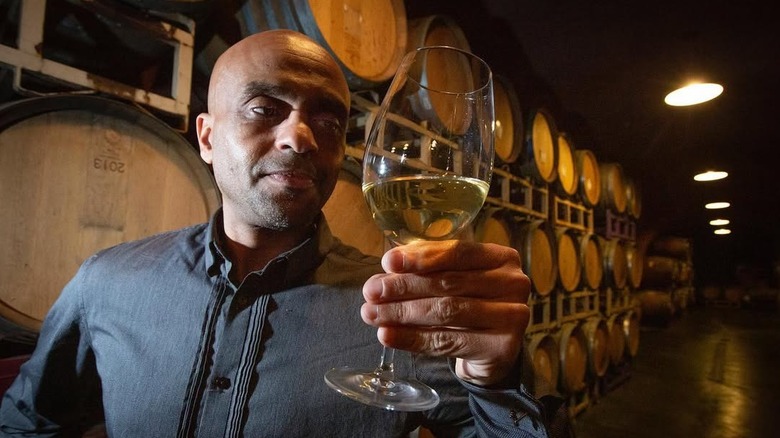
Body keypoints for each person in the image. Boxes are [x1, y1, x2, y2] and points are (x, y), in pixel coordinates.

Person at [0, 30, 551, 437]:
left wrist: (495, 379)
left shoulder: (407, 312)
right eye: (264, 108)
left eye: (329, 121)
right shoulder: (108, 281)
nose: (301, 136)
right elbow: (27, 423)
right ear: (208, 138)